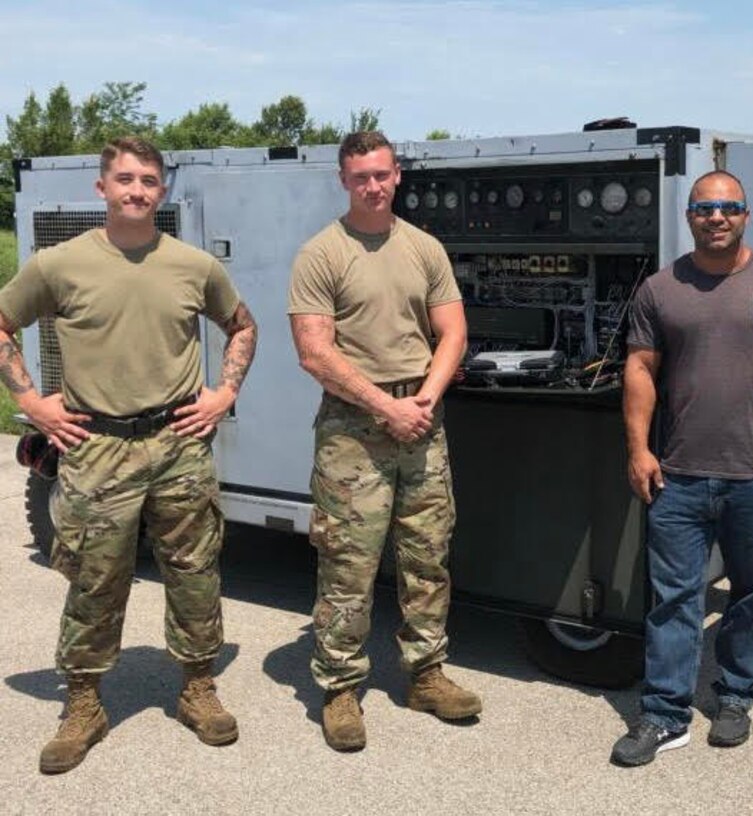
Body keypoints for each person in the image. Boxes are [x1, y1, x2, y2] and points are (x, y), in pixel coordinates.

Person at [0, 137, 258, 773]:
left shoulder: (195, 266)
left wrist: (224, 394)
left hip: (178, 444)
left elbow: (243, 325)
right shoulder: (58, 265)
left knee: (195, 573)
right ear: (102, 188)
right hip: (99, 447)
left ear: (161, 190)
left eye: (148, 180)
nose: (137, 190)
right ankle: (83, 702)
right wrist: (32, 403)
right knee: (94, 579)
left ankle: (198, 687)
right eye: (124, 179)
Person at [610, 170, 753, 767]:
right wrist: (638, 449)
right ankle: (663, 714)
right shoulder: (661, 290)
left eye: (728, 207)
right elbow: (640, 371)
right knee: (674, 598)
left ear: (746, 215)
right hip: (678, 476)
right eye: (705, 208)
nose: (717, 217)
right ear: (690, 218)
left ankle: (734, 697)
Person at [288, 131, 478, 752]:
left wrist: (425, 396)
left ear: (397, 175)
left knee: (427, 555)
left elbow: (452, 331)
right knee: (349, 562)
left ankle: (425, 674)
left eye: (382, 174)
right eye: (360, 177)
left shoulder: (424, 248)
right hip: (354, 431)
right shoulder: (322, 253)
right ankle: (340, 687)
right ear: (343, 181)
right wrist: (384, 407)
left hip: (422, 419)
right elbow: (314, 353)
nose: (373, 185)